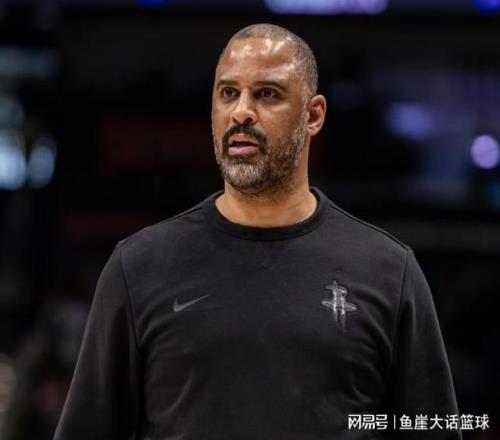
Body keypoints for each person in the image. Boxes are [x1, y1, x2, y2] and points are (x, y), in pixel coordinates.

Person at [54, 24, 461, 439]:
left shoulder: (388, 271)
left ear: (314, 115)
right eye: (228, 93)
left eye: (267, 94)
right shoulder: (139, 266)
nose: (241, 112)